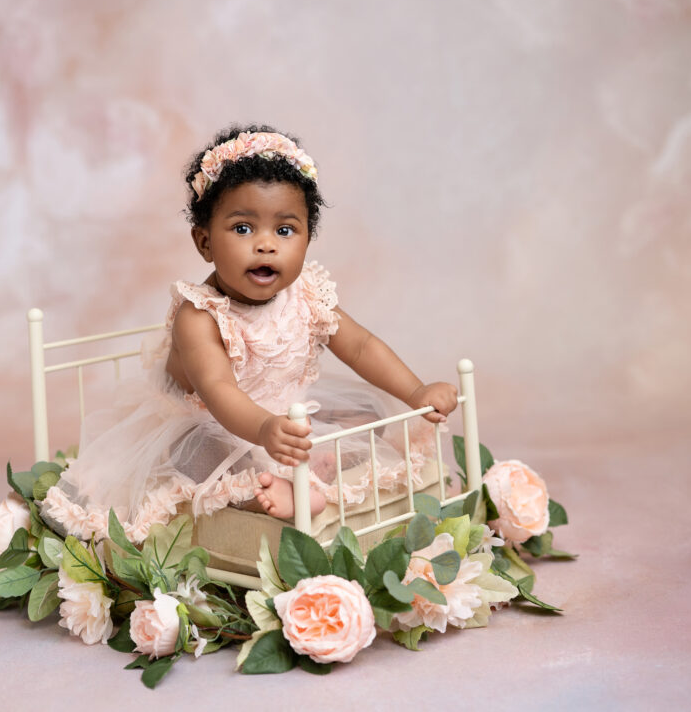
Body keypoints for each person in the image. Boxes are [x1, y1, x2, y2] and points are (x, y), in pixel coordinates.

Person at [41, 125, 458, 543]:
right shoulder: (200, 315)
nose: (265, 245)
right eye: (243, 228)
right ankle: (262, 492)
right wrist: (261, 431)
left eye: (284, 230)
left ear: (307, 240)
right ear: (204, 242)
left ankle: (311, 472)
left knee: (368, 418)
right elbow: (218, 388)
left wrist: (416, 392)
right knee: (199, 453)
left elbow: (362, 346)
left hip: (281, 416)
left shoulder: (308, 295)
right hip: (211, 420)